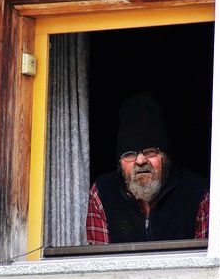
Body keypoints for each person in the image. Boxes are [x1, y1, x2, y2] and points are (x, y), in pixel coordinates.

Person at [86, 92, 209, 244]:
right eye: (129, 154)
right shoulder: (102, 193)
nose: (140, 160)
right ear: (120, 163)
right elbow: (101, 264)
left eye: (150, 152)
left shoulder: (196, 193)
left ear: (166, 157)